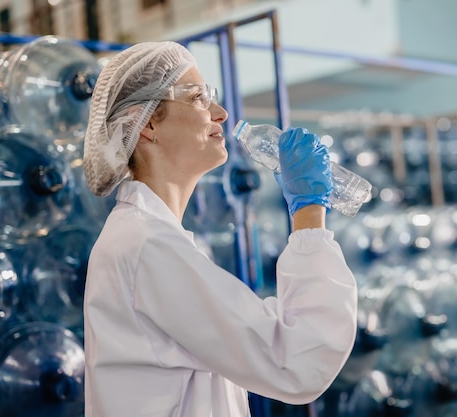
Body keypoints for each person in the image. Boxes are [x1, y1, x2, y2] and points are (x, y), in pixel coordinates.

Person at [82, 40, 358, 417]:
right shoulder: (144, 246)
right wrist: (309, 213)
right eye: (197, 97)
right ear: (146, 124)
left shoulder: (155, 240)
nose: (222, 113)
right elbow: (296, 361)